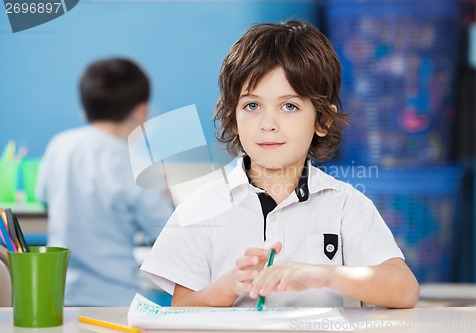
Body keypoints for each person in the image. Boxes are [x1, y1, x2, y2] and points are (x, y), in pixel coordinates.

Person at [141, 20, 419, 308]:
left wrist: (324, 275)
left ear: (322, 120)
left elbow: (404, 289)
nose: (268, 124)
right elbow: (181, 310)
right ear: (233, 117)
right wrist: (229, 286)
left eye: (289, 106)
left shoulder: (345, 205)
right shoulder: (202, 208)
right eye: (252, 106)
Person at [36, 58, 174, 306]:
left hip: (57, 296)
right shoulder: (140, 164)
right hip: (114, 300)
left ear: (86, 108)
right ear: (142, 110)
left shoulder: (59, 145)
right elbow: (166, 232)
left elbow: (45, 198)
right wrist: (165, 193)